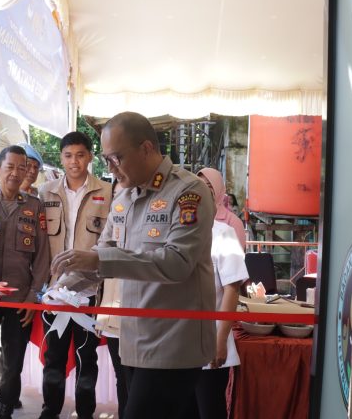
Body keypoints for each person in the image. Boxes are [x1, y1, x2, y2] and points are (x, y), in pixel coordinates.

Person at [50, 111, 217, 419]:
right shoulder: (124, 196)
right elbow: (105, 251)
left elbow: (177, 263)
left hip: (173, 343)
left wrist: (99, 258)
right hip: (132, 338)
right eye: (106, 159)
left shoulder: (187, 192)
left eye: (117, 158)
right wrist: (62, 288)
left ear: (146, 149)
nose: (111, 168)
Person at [0, 145, 50, 419]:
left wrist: (33, 296)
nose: (16, 173)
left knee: (12, 361)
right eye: (10, 167)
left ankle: (6, 406)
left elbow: (42, 257)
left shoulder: (34, 206)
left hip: (20, 298)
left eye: (22, 167)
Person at [38, 132, 112, 419]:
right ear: (61, 157)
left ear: (90, 157)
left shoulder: (107, 192)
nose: (74, 161)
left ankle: (85, 412)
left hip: (89, 289)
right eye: (68, 155)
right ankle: (50, 411)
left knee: (86, 356)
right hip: (54, 289)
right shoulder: (46, 192)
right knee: (53, 357)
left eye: (80, 155)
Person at [185, 217, 249, 419]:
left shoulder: (224, 233)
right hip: (176, 345)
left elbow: (233, 287)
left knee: (210, 409)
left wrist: (220, 340)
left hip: (208, 342)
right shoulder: (172, 228)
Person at [95, 179, 128, 419]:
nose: (120, 200)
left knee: (137, 377)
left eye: (125, 194)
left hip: (141, 317)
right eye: (116, 195)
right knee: (122, 377)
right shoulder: (111, 226)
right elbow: (99, 269)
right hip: (113, 315)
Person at [197, 167, 246, 248]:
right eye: (200, 185)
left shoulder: (233, 222)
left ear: (219, 188)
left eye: (209, 186)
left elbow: (234, 257)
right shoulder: (191, 218)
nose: (204, 190)